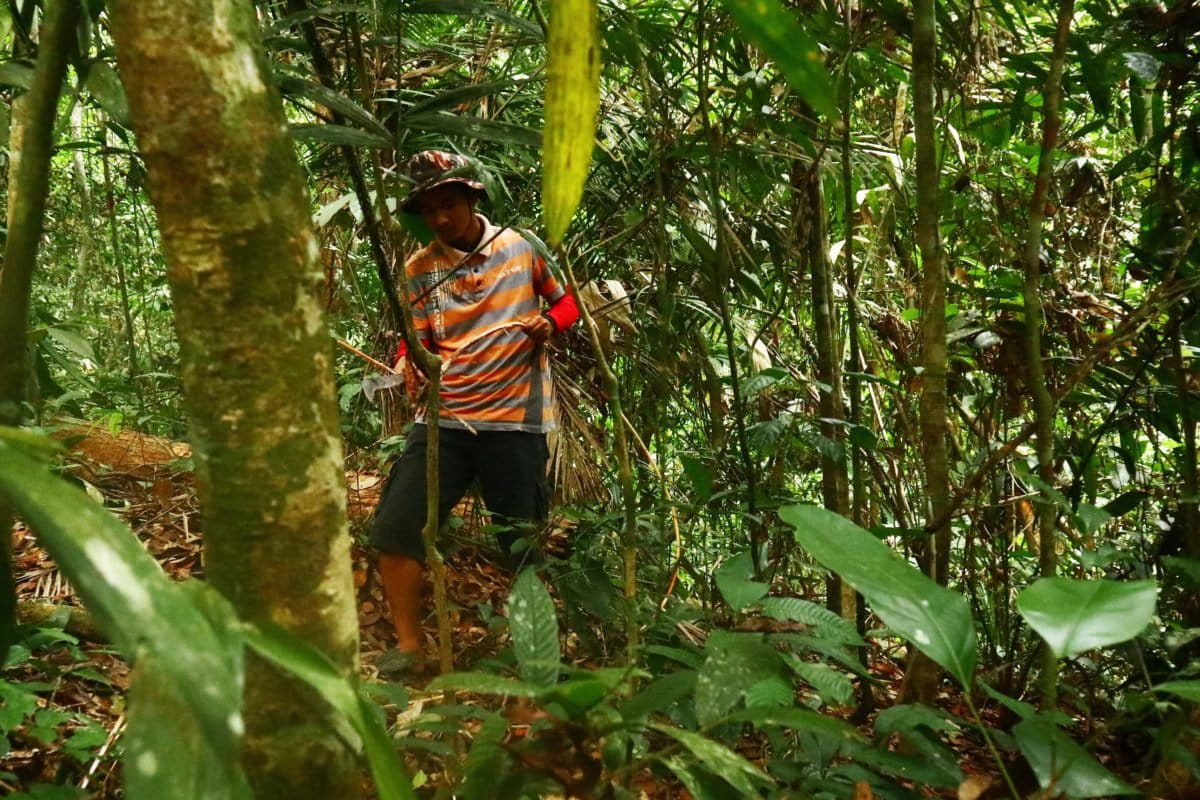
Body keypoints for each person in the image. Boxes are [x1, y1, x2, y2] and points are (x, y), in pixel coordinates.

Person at [371, 151, 579, 676]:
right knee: (396, 532)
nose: (442, 219)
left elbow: (567, 304)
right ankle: (410, 648)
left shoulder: (520, 247)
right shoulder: (419, 269)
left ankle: (535, 660)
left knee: (522, 548)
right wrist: (408, 363)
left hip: (515, 423)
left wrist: (549, 324)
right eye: (430, 211)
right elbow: (416, 338)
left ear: (470, 196)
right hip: (445, 423)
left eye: (449, 204)